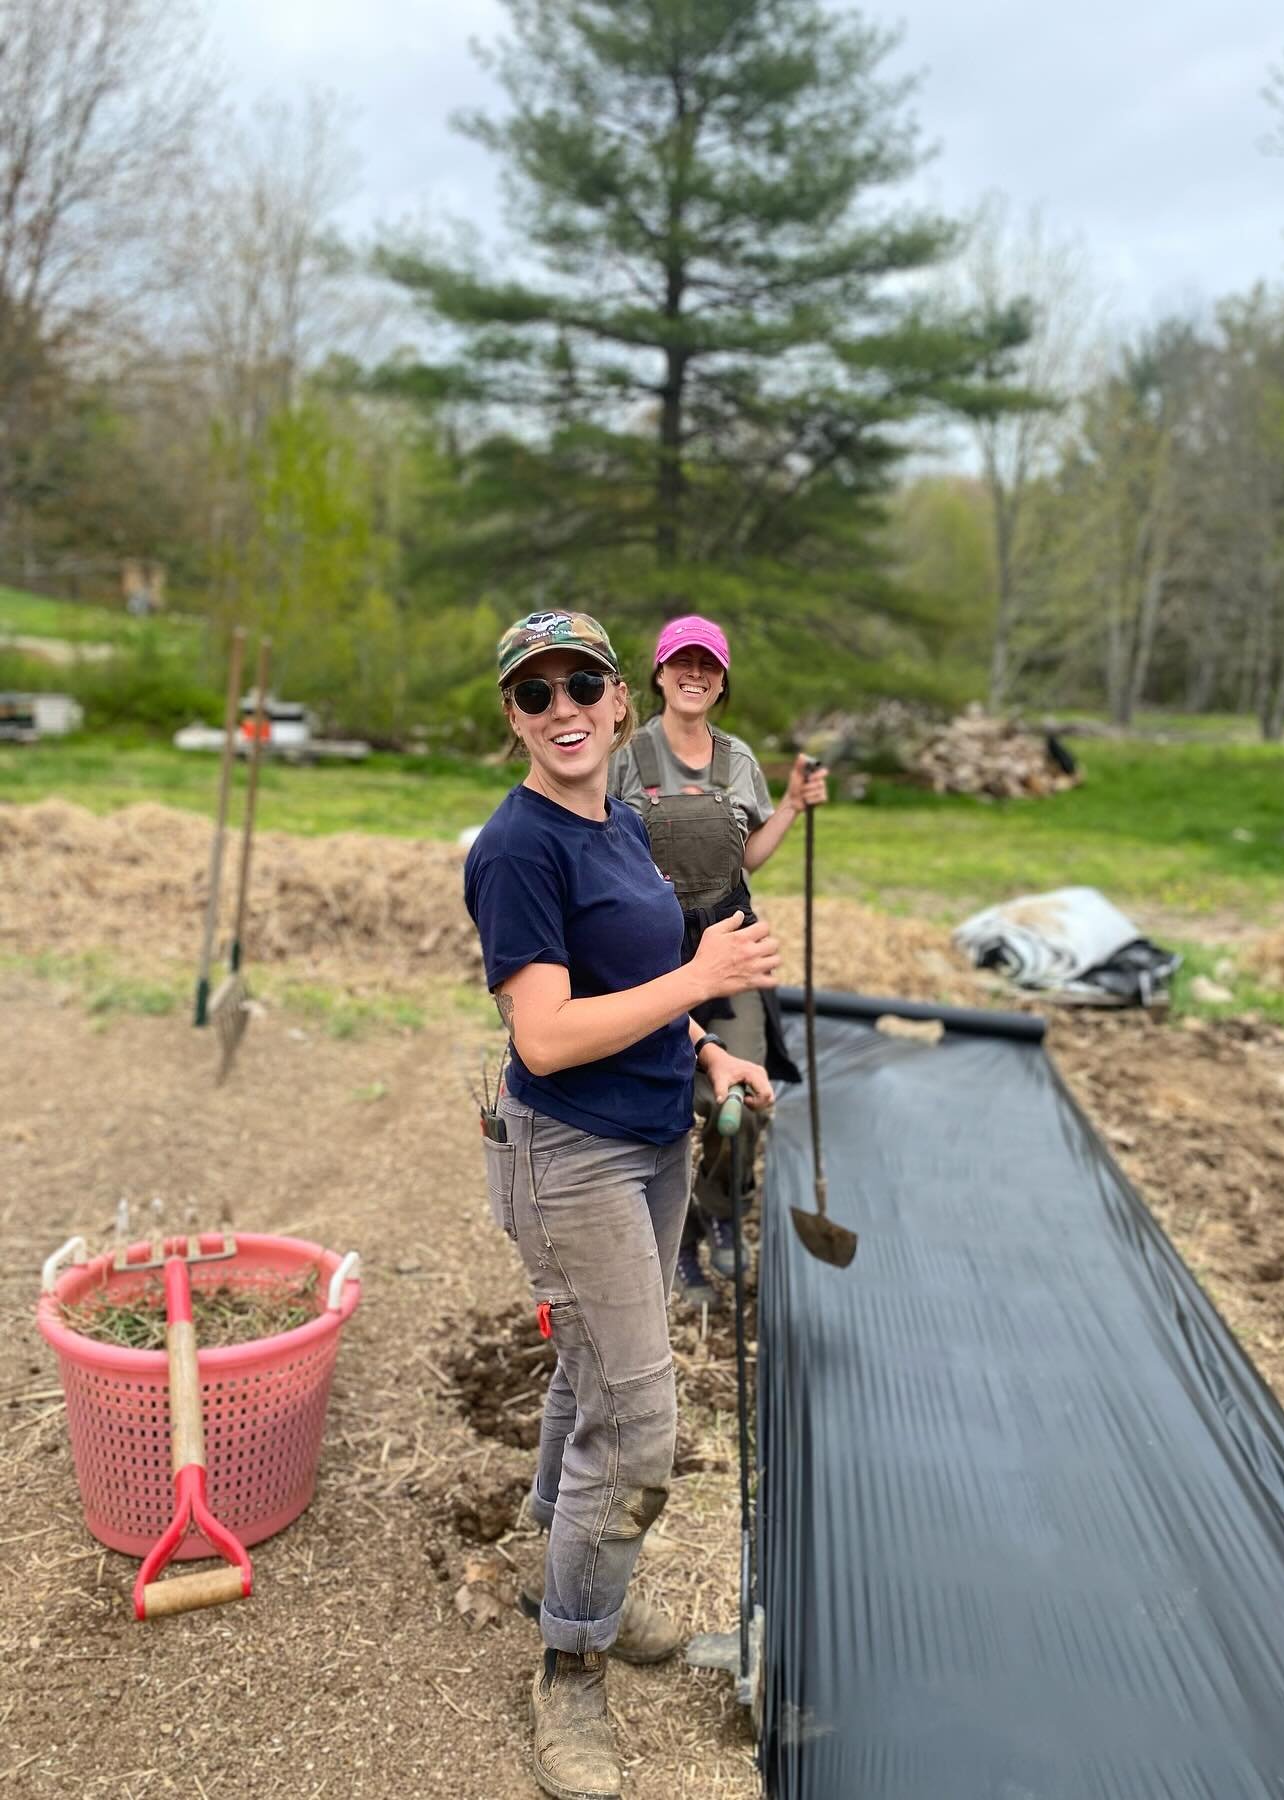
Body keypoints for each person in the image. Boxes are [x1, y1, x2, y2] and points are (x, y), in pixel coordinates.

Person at [463, 607, 777, 1800]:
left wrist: (706, 1048)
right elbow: (541, 1037)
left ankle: (569, 1571)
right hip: (574, 1154)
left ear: (617, 700)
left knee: (591, 1376)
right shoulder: (519, 848)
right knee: (638, 1427)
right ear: (514, 718)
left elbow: (637, 976)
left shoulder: (625, 823)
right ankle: (570, 1673)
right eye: (534, 695)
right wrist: (704, 977)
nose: (563, 711)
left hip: (654, 1137)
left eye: (579, 686)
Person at [609, 614, 827, 1306]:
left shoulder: (738, 762)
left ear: (722, 678)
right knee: (673, 1105)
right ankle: (670, 1247)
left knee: (747, 1102)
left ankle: (715, 1215)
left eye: (708, 664)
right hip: (655, 953)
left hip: (731, 946)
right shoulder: (625, 759)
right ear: (660, 673)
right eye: (682, 662)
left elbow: (747, 856)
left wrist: (791, 806)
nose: (694, 674)